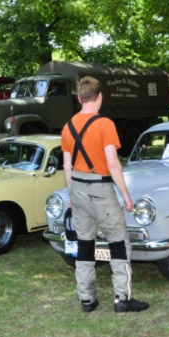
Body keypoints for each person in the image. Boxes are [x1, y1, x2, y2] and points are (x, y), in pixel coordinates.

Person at [62, 76, 148, 313]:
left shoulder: (68, 126)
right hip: (101, 189)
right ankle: (122, 298)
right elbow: (113, 164)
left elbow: (66, 166)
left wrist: (71, 194)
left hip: (77, 188)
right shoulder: (105, 124)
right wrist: (126, 196)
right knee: (119, 243)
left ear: (79, 99)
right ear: (100, 97)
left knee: (84, 244)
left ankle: (87, 299)